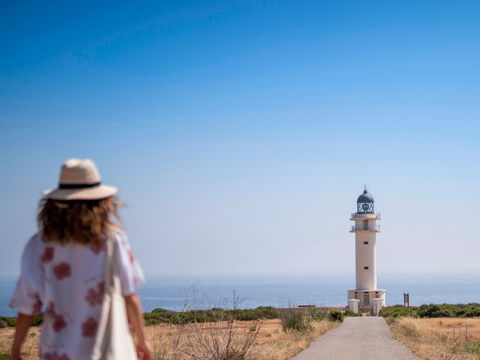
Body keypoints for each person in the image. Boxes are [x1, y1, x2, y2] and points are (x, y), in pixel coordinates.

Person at [9, 159, 152, 360]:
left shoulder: (38, 245)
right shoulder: (113, 240)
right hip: (108, 351)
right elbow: (130, 295)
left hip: (57, 351)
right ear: (101, 202)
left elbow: (27, 305)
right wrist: (142, 340)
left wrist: (16, 350)